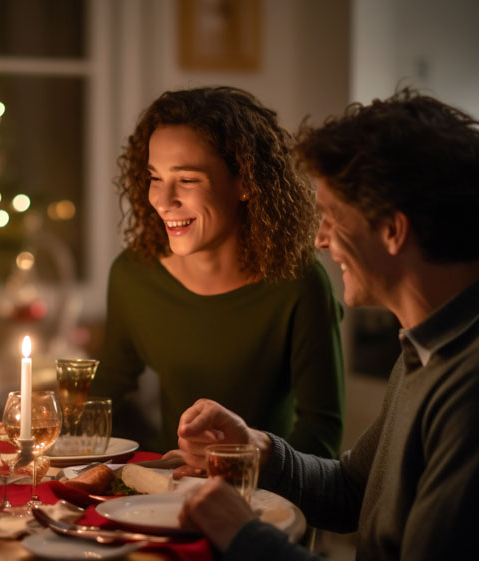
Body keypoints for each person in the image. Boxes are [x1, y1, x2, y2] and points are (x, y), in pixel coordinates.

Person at [174, 89, 479, 561]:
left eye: (332, 216)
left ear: (392, 230)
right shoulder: (434, 342)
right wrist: (257, 449)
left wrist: (243, 538)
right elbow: (354, 490)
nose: (320, 238)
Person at [90, 86, 345, 456]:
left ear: (245, 183)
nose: (162, 199)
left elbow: (322, 434)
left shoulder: (299, 283)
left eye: (188, 180)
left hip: (267, 497)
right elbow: (103, 397)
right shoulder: (133, 276)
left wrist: (250, 471)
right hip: (167, 492)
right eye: (155, 177)